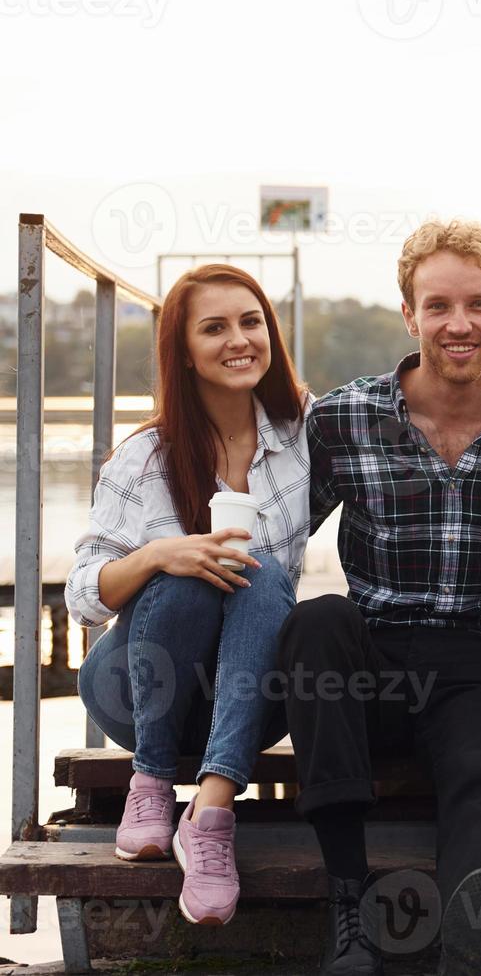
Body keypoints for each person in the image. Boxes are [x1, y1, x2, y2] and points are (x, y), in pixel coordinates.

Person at [276, 219, 481, 976]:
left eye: (477, 305)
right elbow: (274, 540)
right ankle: (348, 908)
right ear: (410, 315)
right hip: (368, 658)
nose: (459, 324)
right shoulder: (344, 418)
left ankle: (475, 945)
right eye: (438, 306)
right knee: (316, 618)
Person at [67, 263, 307, 927]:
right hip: (139, 693)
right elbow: (83, 596)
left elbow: (403, 415)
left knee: (257, 575)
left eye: (251, 321)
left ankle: (210, 814)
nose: (239, 339)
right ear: (186, 351)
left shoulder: (302, 435)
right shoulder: (145, 455)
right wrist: (157, 554)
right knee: (188, 577)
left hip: (247, 702)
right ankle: (149, 783)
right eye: (215, 327)